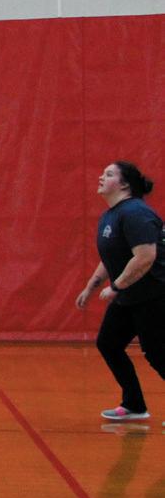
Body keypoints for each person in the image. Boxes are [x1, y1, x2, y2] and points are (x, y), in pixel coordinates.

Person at [78, 161, 165, 421]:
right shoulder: (111, 215)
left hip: (155, 294)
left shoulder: (135, 213)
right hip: (131, 295)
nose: (101, 177)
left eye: (108, 174)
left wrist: (117, 286)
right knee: (109, 343)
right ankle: (134, 405)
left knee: (158, 353)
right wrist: (90, 287)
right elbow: (111, 257)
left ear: (125, 184)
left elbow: (145, 257)